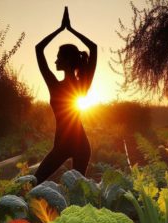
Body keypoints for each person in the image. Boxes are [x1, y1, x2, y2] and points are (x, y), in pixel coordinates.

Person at [34, 7, 97, 184]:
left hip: (80, 146)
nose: (55, 61)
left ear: (67, 61)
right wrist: (63, 29)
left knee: (76, 193)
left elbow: (93, 47)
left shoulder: (78, 85)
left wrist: (68, 29)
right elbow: (38, 49)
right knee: (34, 181)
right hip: (60, 146)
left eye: (58, 57)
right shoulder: (60, 84)